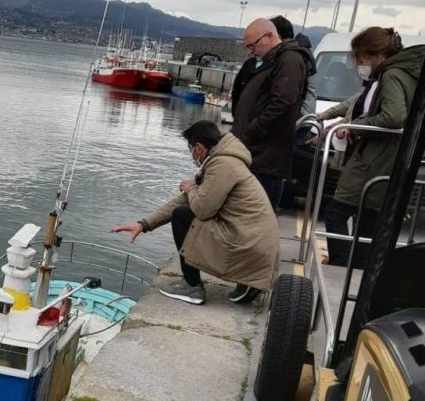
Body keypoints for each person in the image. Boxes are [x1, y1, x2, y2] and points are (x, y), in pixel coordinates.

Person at [111, 121, 279, 305]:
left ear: (198, 148)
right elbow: (186, 199)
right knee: (183, 209)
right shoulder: (223, 160)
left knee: (182, 216)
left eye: (190, 149)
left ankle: (192, 286)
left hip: (250, 246)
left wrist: (191, 188)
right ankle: (249, 280)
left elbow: (202, 209)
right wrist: (144, 224)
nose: (192, 155)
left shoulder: (223, 165)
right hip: (253, 243)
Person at [323, 27, 425, 267]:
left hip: (375, 159)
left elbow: (394, 116)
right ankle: (355, 266)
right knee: (367, 221)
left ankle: (341, 263)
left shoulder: (392, 75)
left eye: (361, 60)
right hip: (391, 159)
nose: (360, 66)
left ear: (374, 54)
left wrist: (357, 125)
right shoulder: (408, 73)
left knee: (336, 212)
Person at [231, 18, 308, 210]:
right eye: (247, 47)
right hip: (256, 151)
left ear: (269, 36)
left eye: (252, 45)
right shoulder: (273, 60)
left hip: (265, 155)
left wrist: (253, 129)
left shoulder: (288, 60)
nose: (251, 51)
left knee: (257, 214)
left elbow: (282, 101)